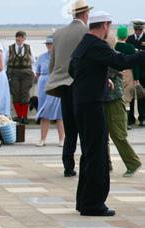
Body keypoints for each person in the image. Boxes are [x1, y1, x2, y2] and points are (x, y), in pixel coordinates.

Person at [69, 11, 145, 217]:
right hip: (92, 104)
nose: (108, 31)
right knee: (98, 154)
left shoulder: (84, 43)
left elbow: (72, 69)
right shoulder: (97, 45)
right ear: (104, 26)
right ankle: (93, 204)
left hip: (81, 101)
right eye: (108, 27)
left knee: (89, 151)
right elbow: (121, 61)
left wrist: (99, 79)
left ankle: (84, 200)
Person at [46, 0, 92, 178]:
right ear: (85, 15)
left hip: (62, 85)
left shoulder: (58, 33)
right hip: (80, 85)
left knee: (70, 129)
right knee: (86, 128)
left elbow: (52, 63)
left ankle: (68, 165)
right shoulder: (86, 31)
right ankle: (87, 164)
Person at [104, 31, 142, 178]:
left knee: (118, 134)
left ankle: (132, 162)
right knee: (103, 134)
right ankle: (105, 163)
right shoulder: (108, 55)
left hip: (114, 100)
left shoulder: (111, 56)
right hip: (105, 99)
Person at [35, 36, 64, 147]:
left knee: (59, 112)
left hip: (56, 84)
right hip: (44, 85)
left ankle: (62, 139)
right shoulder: (41, 57)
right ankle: (43, 139)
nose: (49, 46)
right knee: (44, 112)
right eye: (47, 44)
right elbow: (37, 73)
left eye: (51, 44)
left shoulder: (60, 57)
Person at [7, 30, 36, 124]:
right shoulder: (10, 48)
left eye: (21, 37)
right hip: (13, 73)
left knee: (25, 94)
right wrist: (4, 74)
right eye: (17, 37)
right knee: (15, 94)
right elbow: (5, 62)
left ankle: (24, 117)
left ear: (24, 38)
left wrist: (34, 72)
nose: (18, 38)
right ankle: (19, 116)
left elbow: (33, 62)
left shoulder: (29, 48)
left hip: (27, 73)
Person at [116, 26, 141, 130]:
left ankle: (119, 122)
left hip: (117, 74)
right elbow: (135, 64)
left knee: (118, 99)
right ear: (126, 36)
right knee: (128, 99)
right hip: (129, 74)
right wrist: (136, 78)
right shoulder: (130, 48)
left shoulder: (115, 46)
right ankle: (126, 123)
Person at [126, 19, 145, 126]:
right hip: (132, 71)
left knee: (142, 96)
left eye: (140, 29)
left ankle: (142, 117)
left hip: (143, 71)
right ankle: (131, 118)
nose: (138, 31)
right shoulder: (129, 39)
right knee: (131, 96)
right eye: (136, 29)